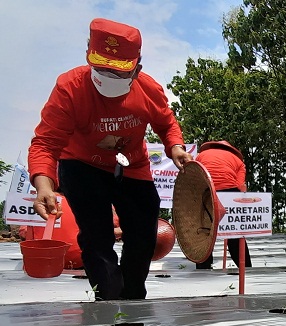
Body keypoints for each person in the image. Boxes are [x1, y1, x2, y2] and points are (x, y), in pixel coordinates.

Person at [28, 18, 192, 300]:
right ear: (88, 56)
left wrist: (174, 146)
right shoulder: (70, 89)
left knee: (144, 228)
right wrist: (44, 186)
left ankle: (133, 296)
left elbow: (166, 124)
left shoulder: (148, 90)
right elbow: (45, 143)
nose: (106, 77)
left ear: (137, 69)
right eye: (100, 68)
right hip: (81, 165)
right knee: (96, 236)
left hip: (132, 165)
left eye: (117, 73)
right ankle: (108, 299)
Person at [194, 140, 252, 269]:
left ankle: (203, 268)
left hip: (207, 192)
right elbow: (240, 186)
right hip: (230, 193)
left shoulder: (201, 156)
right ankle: (246, 268)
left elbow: (195, 174)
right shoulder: (238, 162)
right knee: (235, 233)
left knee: (205, 231)